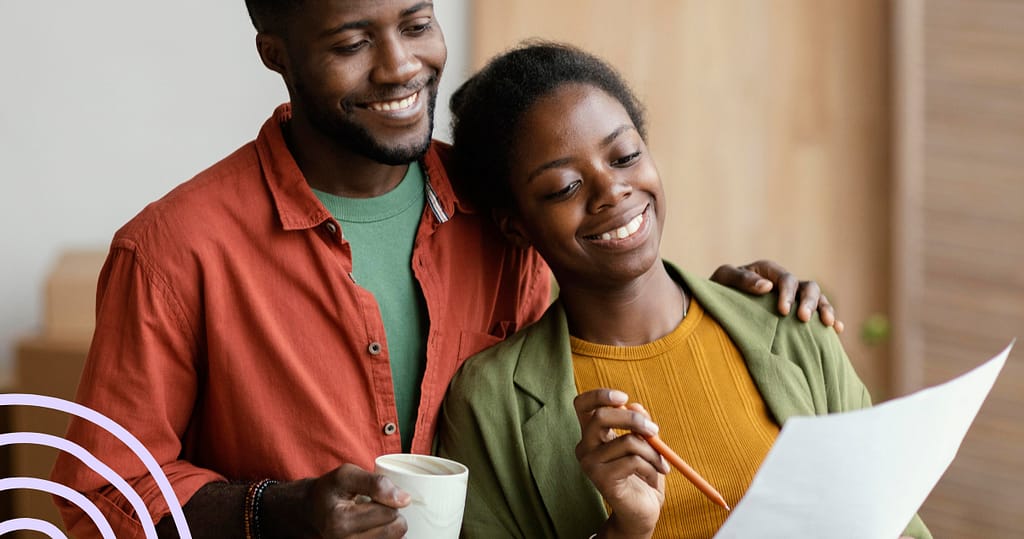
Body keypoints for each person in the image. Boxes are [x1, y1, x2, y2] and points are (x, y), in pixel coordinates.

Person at [51, 3, 840, 538]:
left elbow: (613, 287)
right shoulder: (171, 250)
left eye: (418, 23)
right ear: (276, 53)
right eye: (352, 43)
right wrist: (280, 510)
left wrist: (743, 303)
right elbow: (96, 502)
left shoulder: (503, 199)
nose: (400, 67)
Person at [435, 42, 930, 539]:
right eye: (565, 186)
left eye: (625, 156)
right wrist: (624, 532)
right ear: (516, 226)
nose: (612, 191)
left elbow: (896, 523)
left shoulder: (790, 324)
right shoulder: (489, 400)